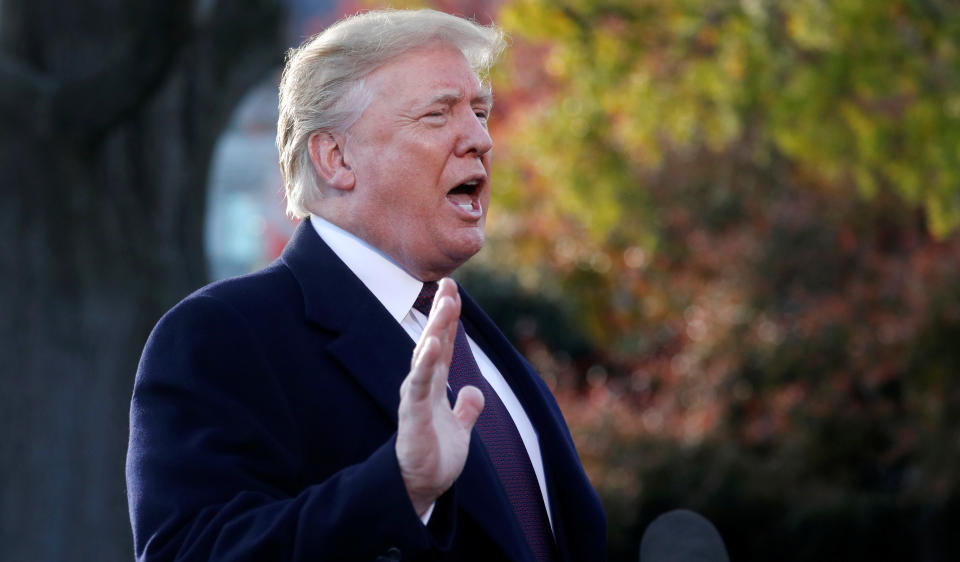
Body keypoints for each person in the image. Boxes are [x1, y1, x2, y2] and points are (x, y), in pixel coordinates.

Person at [126, 9, 606, 561]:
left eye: (481, 112)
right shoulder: (222, 335)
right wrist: (400, 486)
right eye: (436, 114)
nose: (480, 139)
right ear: (336, 158)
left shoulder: (482, 342)